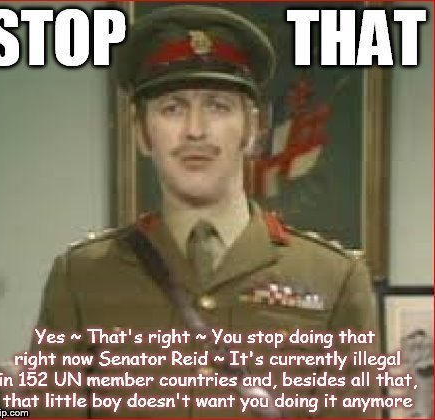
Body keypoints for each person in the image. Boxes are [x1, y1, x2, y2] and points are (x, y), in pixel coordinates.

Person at [30, 5, 380, 418]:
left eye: (217, 106)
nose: (195, 130)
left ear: (253, 128)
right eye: (172, 108)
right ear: (141, 132)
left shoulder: (335, 279)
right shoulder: (81, 278)